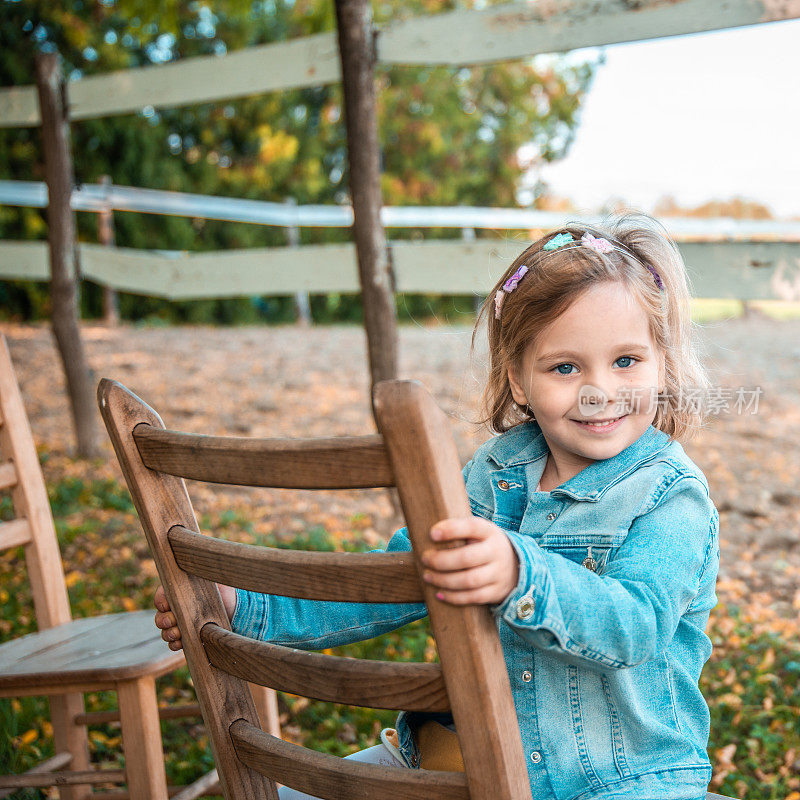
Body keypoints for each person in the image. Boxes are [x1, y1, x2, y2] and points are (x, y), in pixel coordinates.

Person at [155, 213, 720, 800]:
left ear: (662, 365)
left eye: (626, 361)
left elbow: (637, 625)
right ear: (520, 380)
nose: (598, 390)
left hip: (618, 779)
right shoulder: (496, 473)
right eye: (565, 366)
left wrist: (520, 575)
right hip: (459, 762)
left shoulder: (669, 497)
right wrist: (248, 607)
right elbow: (399, 575)